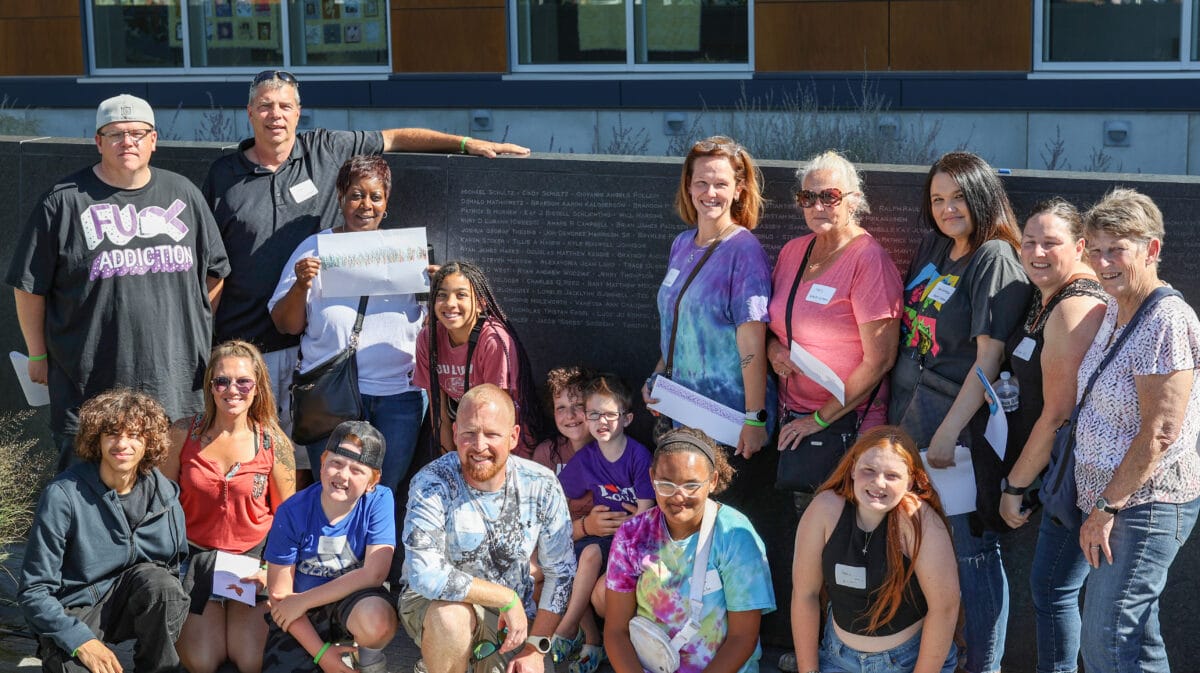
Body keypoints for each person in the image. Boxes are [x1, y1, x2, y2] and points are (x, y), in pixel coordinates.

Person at [203, 70, 528, 474]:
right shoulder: (248, 194)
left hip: (396, 393)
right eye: (266, 106)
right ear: (250, 112)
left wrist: (466, 143)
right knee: (313, 478)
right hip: (314, 380)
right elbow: (214, 265)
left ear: (298, 112)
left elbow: (396, 137)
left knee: (385, 490)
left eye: (285, 105)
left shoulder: (328, 152)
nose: (276, 114)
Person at [9, 93, 229, 472]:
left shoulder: (183, 193)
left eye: (138, 133)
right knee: (88, 496)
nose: (128, 142)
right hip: (91, 383)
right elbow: (29, 286)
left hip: (173, 381)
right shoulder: (64, 202)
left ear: (154, 140)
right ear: (98, 142)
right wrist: (37, 354)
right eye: (115, 134)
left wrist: (194, 331)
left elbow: (215, 273)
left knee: (166, 492)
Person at [886, 151, 1031, 673]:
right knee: (926, 543)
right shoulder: (937, 247)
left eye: (958, 197)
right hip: (911, 421)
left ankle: (983, 665)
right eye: (937, 199)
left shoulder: (993, 256)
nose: (948, 209)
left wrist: (947, 434)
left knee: (973, 552)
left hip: (958, 430)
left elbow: (989, 360)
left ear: (983, 196)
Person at [1072, 188, 1200, 673]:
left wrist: (1105, 507)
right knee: (1136, 644)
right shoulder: (1116, 306)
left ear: (1151, 249)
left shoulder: (1164, 318)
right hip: (1118, 504)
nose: (1104, 262)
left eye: (1117, 249)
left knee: (1107, 642)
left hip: (1141, 506)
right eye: (1095, 249)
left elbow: (1160, 432)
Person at [993, 199, 1106, 673]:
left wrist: (1014, 486)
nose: (1037, 252)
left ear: (1079, 246)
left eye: (1051, 243)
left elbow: (1059, 415)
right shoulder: (1048, 296)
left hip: (1078, 477)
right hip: (1062, 469)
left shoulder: (1073, 307)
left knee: (1053, 590)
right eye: (1029, 242)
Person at [268, 154, 425, 493]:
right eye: (355, 194)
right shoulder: (314, 249)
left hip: (395, 397)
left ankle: (374, 548)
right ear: (340, 197)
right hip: (330, 396)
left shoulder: (404, 255)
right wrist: (300, 285)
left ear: (386, 203)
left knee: (383, 491)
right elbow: (285, 325)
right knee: (334, 488)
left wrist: (433, 286)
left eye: (375, 196)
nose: (365, 205)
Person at [400, 384, 575, 673]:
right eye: (469, 433)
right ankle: (441, 658)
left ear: (513, 437)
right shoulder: (431, 482)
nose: (479, 445)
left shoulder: (541, 485)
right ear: (455, 434)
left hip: (510, 619)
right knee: (451, 618)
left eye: (492, 434)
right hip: (434, 604)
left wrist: (535, 647)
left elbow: (562, 573)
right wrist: (505, 598)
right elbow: (425, 575)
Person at [19, 389, 189, 673]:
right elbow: (33, 591)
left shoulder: (165, 494)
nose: (122, 444)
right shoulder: (63, 495)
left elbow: (171, 573)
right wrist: (79, 640)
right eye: (112, 433)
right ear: (96, 439)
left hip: (131, 600)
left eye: (134, 434)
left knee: (163, 586)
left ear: (149, 442)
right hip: (74, 609)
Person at [642, 135, 773, 503]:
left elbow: (752, 343)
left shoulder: (744, 250)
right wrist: (656, 376)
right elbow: (679, 326)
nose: (710, 192)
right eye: (701, 182)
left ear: (738, 189)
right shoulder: (682, 243)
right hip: (681, 411)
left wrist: (755, 418)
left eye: (720, 183)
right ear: (688, 185)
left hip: (726, 422)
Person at [768, 150, 902, 497]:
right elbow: (776, 321)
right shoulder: (793, 251)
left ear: (853, 200)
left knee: (842, 527)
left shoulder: (868, 260)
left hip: (847, 425)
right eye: (807, 197)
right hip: (793, 417)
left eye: (829, 196)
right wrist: (772, 349)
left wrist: (818, 419)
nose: (817, 206)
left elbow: (880, 360)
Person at [162, 340, 298, 673]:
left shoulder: (273, 442)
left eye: (242, 382)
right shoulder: (182, 433)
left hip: (250, 563)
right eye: (221, 381)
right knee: (203, 661)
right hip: (196, 561)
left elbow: (289, 518)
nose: (231, 390)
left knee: (251, 660)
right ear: (210, 386)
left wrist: (270, 571)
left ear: (257, 387)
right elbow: (160, 505)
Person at [605, 427, 776, 673]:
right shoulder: (631, 535)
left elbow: (743, 638)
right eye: (666, 484)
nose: (678, 496)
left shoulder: (735, 536)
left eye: (691, 485)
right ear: (652, 477)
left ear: (713, 481)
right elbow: (615, 631)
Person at [790, 426, 958, 673]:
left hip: (909, 661)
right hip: (838, 658)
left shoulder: (919, 521)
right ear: (853, 468)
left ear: (910, 480)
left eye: (892, 476)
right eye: (869, 470)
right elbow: (804, 595)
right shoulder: (824, 510)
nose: (878, 483)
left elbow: (945, 608)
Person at [262, 421, 399, 673]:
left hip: (350, 601)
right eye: (336, 462)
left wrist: (303, 600)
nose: (342, 475)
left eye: (357, 470)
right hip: (301, 615)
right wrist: (323, 656)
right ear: (322, 460)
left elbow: (375, 573)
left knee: (377, 619)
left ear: (373, 480)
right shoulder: (292, 512)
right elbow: (281, 597)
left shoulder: (380, 500)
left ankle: (368, 663)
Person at [551, 374, 655, 673]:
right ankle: (579, 633)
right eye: (594, 414)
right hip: (600, 537)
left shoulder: (638, 456)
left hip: (631, 541)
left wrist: (624, 529)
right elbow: (556, 496)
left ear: (627, 418)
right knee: (583, 556)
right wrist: (582, 522)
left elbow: (645, 514)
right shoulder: (586, 458)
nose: (601, 421)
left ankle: (573, 631)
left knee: (593, 564)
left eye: (610, 414)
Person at [414, 261, 546, 455]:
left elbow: (496, 415)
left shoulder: (493, 341)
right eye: (441, 295)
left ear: (481, 303)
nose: (450, 303)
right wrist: (451, 461)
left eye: (461, 295)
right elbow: (438, 410)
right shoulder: (428, 338)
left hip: (505, 445)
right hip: (465, 438)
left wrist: (474, 462)